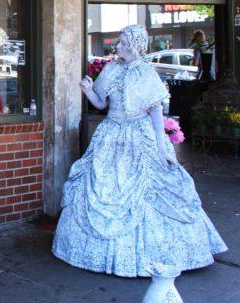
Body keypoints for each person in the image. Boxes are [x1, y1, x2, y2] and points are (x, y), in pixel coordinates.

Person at [52, 24, 227, 277]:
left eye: (123, 42)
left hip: (139, 134)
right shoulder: (111, 68)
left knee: (151, 190)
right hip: (111, 132)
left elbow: (156, 110)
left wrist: (160, 147)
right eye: (119, 42)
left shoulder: (146, 72)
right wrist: (89, 91)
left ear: (135, 45)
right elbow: (101, 103)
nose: (118, 46)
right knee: (100, 186)